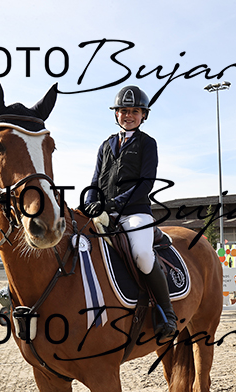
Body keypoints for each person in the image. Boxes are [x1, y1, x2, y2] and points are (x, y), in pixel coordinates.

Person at [83, 85, 177, 339]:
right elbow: (95, 180)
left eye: (134, 111)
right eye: (124, 111)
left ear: (143, 115)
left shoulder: (147, 143)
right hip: (104, 212)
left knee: (143, 255)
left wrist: (115, 204)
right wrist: (89, 202)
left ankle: (167, 313)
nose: (128, 116)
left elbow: (146, 183)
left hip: (135, 212)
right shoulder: (106, 145)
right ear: (116, 114)